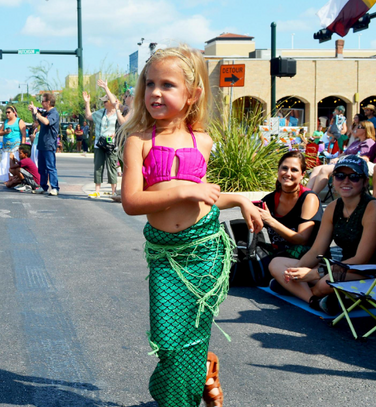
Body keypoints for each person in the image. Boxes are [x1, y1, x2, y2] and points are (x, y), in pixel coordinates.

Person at [120, 45, 263, 407]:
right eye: (150, 83)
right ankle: (200, 372)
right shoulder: (138, 140)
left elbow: (207, 196)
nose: (155, 92)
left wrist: (241, 200)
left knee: (192, 339)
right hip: (166, 257)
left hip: (205, 251)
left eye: (167, 85)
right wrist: (184, 189)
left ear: (192, 94)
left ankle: (182, 396)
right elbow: (132, 202)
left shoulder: (203, 141)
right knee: (168, 343)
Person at [269, 155, 376, 315]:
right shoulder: (334, 207)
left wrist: (314, 273)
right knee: (277, 264)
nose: (346, 181)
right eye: (340, 176)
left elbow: (362, 259)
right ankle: (315, 301)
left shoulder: (373, 208)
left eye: (354, 177)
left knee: (324, 283)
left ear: (365, 181)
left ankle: (305, 291)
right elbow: (316, 250)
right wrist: (296, 271)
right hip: (343, 268)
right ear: (333, 179)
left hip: (370, 271)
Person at [257, 151, 323, 268]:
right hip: (279, 256)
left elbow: (302, 239)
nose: (288, 173)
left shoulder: (308, 198)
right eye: (284, 168)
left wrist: (270, 220)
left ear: (302, 174)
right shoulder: (269, 200)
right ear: (278, 171)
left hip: (309, 258)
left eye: (294, 170)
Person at [307, 120, 376, 195]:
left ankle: (312, 195)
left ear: (366, 130)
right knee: (316, 169)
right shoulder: (356, 141)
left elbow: (363, 158)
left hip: (352, 165)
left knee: (325, 170)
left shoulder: (368, 142)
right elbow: (344, 153)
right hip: (344, 162)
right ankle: (306, 193)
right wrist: (337, 158)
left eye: (359, 127)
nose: (356, 129)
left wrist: (344, 159)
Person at [83, 79, 127, 198]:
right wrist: (87, 103)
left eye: (105, 101)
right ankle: (97, 190)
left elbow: (122, 127)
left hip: (112, 144)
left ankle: (113, 191)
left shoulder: (118, 114)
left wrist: (115, 135)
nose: (103, 104)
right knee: (98, 166)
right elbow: (88, 116)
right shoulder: (101, 113)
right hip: (99, 144)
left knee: (112, 166)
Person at [29, 92, 60, 196]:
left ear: (49, 102)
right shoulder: (45, 113)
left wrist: (37, 113)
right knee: (42, 167)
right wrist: (34, 112)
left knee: (50, 167)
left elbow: (46, 122)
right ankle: (43, 186)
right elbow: (37, 121)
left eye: (43, 101)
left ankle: (55, 187)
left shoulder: (53, 113)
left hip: (49, 144)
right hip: (42, 144)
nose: (41, 103)